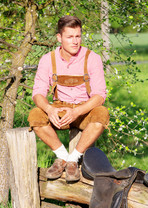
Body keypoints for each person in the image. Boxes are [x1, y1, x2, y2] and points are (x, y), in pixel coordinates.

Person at [28, 15, 109, 182]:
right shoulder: (47, 60)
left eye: (78, 36)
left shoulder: (92, 58)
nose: (75, 41)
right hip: (59, 109)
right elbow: (37, 93)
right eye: (70, 37)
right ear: (59, 38)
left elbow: (100, 95)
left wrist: (77, 111)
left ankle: (73, 159)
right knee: (35, 115)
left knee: (102, 114)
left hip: (84, 110)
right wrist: (50, 109)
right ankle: (62, 156)